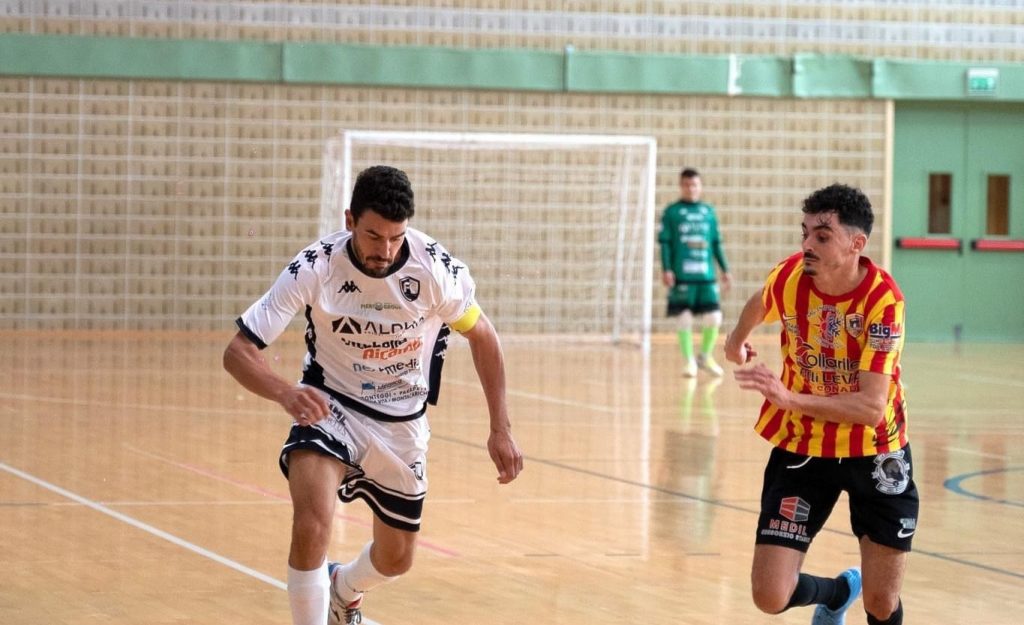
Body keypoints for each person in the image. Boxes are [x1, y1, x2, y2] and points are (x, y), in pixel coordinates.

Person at [223, 165, 524, 625]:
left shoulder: (434, 270)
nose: (384, 250)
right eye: (373, 236)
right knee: (312, 523)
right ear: (349, 221)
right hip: (329, 405)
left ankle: (344, 588)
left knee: (398, 557)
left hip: (402, 422)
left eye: (395, 238)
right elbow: (238, 352)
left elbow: (483, 336)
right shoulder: (316, 265)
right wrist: (286, 393)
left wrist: (500, 429)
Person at [724, 183, 917, 625]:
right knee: (770, 595)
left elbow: (870, 407)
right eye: (805, 232)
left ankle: (864, 595)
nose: (806, 244)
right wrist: (736, 341)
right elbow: (763, 298)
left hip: (875, 449)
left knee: (882, 602)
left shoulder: (883, 303)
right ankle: (838, 592)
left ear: (856, 244)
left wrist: (787, 397)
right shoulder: (792, 275)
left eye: (822, 235)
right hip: (804, 447)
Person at [658, 168, 732, 377]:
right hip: (682, 275)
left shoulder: (708, 212)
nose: (691, 188)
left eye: (695, 184)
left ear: (700, 186)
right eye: (687, 184)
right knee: (684, 318)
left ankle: (705, 356)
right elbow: (665, 243)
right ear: (681, 186)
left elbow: (716, 243)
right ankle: (689, 361)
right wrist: (666, 269)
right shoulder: (672, 212)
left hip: (706, 276)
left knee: (714, 317)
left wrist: (725, 269)